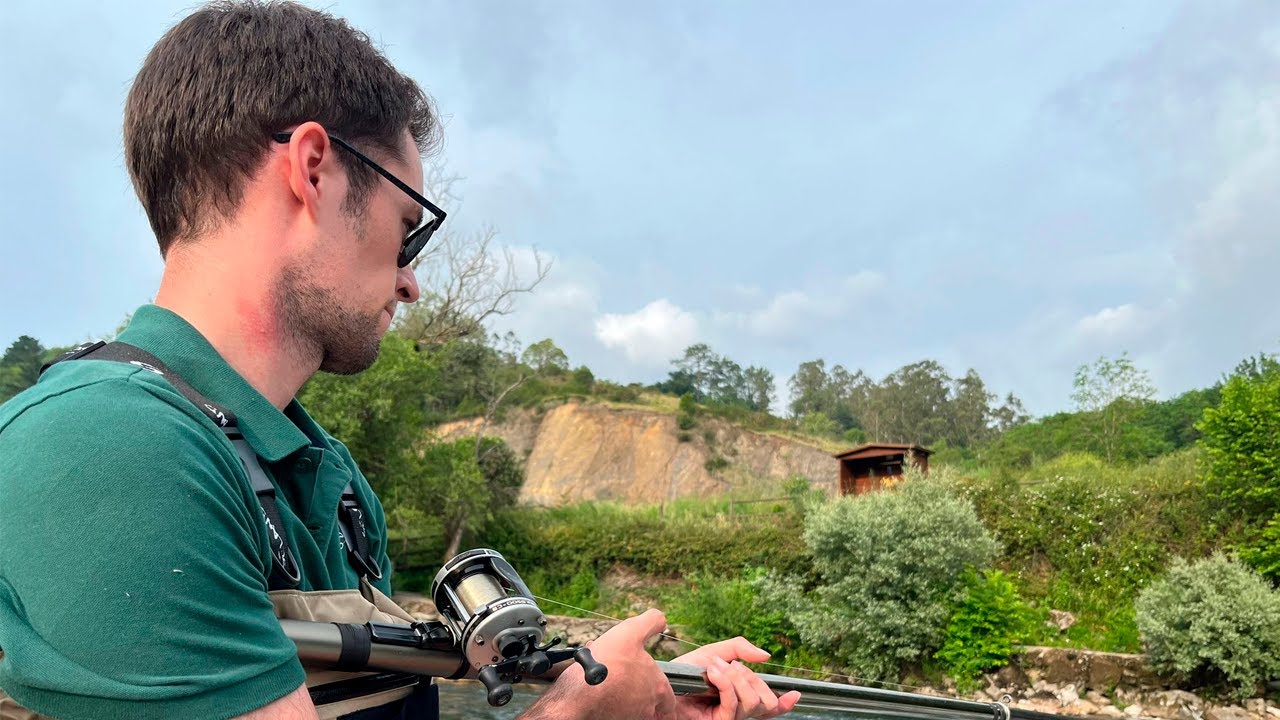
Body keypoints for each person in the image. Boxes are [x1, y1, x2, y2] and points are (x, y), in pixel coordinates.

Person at [0, 2, 802, 719]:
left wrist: (647, 692)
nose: (412, 279)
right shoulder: (107, 453)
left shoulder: (335, 485)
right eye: (408, 227)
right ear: (312, 169)